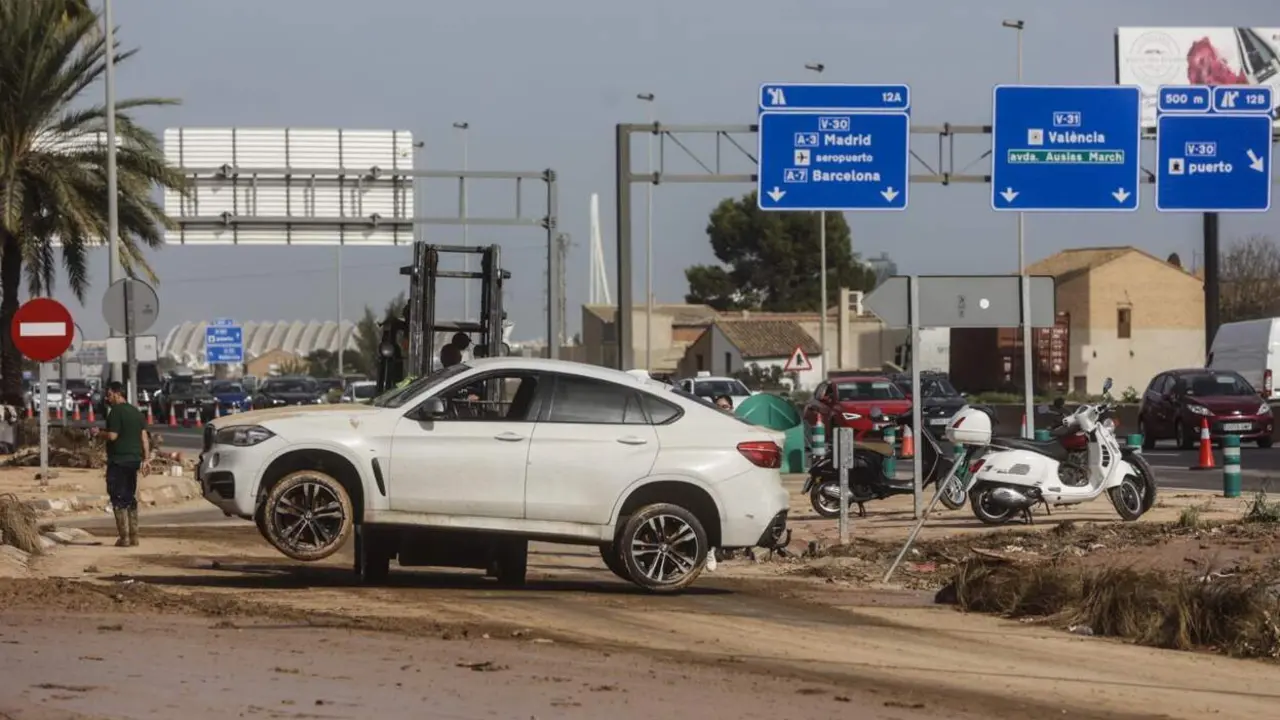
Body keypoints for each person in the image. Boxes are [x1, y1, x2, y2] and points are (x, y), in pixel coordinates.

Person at [100, 382, 150, 547]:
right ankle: (134, 536)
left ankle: (124, 537)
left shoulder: (115, 412)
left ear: (116, 394)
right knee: (130, 496)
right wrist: (147, 459)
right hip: (134, 461)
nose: (107, 398)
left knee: (118, 496)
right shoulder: (136, 412)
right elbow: (144, 438)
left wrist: (98, 433)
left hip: (118, 461)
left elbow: (113, 436)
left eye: (109, 394)